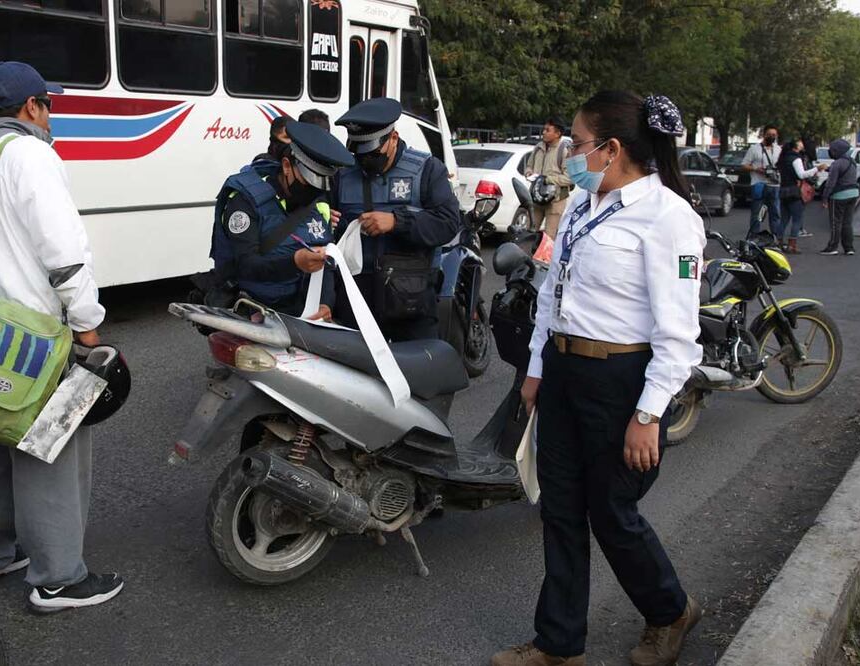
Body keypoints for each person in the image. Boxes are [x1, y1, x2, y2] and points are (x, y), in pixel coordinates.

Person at [492, 91, 704, 666]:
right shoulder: (586, 205)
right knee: (559, 509)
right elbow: (551, 296)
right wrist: (536, 369)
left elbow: (678, 332)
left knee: (612, 514)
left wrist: (648, 414)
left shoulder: (669, 218)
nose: (570, 156)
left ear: (612, 150)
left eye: (579, 145)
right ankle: (559, 644)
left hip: (621, 381)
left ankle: (669, 610)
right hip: (563, 372)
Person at [0, 61, 123, 613]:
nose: (52, 118)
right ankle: (58, 578)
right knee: (51, 447)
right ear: (32, 108)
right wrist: (87, 323)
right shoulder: (32, 154)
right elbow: (63, 250)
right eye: (50, 107)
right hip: (33, 331)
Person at [330, 97, 460, 341]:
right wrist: (330, 222)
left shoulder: (427, 169)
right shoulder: (344, 175)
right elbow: (327, 230)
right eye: (359, 154)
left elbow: (448, 224)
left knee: (417, 374)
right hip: (357, 301)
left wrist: (396, 221)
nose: (365, 160)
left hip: (411, 299)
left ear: (393, 138)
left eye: (372, 153)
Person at [211, 120, 355, 319]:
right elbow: (246, 265)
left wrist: (325, 302)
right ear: (287, 166)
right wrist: (294, 262)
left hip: (302, 315)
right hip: (253, 312)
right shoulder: (247, 200)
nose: (316, 189)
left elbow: (326, 262)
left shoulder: (320, 204)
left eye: (322, 182)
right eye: (310, 180)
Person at [523, 117, 574, 238]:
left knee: (549, 238)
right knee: (529, 232)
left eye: (548, 130)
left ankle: (545, 258)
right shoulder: (538, 148)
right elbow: (529, 166)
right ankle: (527, 256)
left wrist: (546, 179)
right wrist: (529, 173)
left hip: (555, 200)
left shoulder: (564, 151)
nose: (544, 132)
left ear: (558, 134)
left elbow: (570, 178)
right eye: (544, 129)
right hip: (536, 197)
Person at [775, 138, 825, 253]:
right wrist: (816, 169)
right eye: (800, 142)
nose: (802, 144)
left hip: (783, 190)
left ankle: (778, 243)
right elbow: (801, 175)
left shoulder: (783, 158)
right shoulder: (796, 159)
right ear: (796, 146)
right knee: (797, 219)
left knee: (784, 219)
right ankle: (792, 245)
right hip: (793, 190)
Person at [819, 138, 860, 255]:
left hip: (839, 196)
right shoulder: (852, 162)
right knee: (847, 222)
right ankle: (849, 248)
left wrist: (824, 198)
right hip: (853, 194)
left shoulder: (836, 164)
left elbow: (830, 183)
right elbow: (845, 174)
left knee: (835, 222)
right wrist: (828, 169)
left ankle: (832, 247)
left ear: (836, 151)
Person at [742, 124, 782, 238]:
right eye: (769, 135)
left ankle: (775, 237)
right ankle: (753, 237)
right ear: (764, 135)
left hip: (775, 185)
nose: (771, 137)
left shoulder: (779, 150)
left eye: (774, 135)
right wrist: (756, 169)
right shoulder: (754, 149)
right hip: (759, 184)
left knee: (775, 213)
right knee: (757, 213)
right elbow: (744, 165)